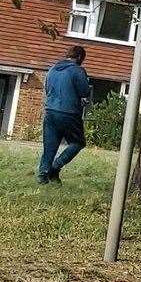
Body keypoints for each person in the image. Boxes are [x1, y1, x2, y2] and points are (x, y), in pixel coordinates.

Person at [38, 44, 91, 185]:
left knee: (50, 146)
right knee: (78, 143)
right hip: (69, 113)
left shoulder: (52, 69)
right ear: (79, 57)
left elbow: (47, 88)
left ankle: (43, 175)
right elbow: (84, 92)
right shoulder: (78, 71)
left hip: (50, 111)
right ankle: (56, 167)